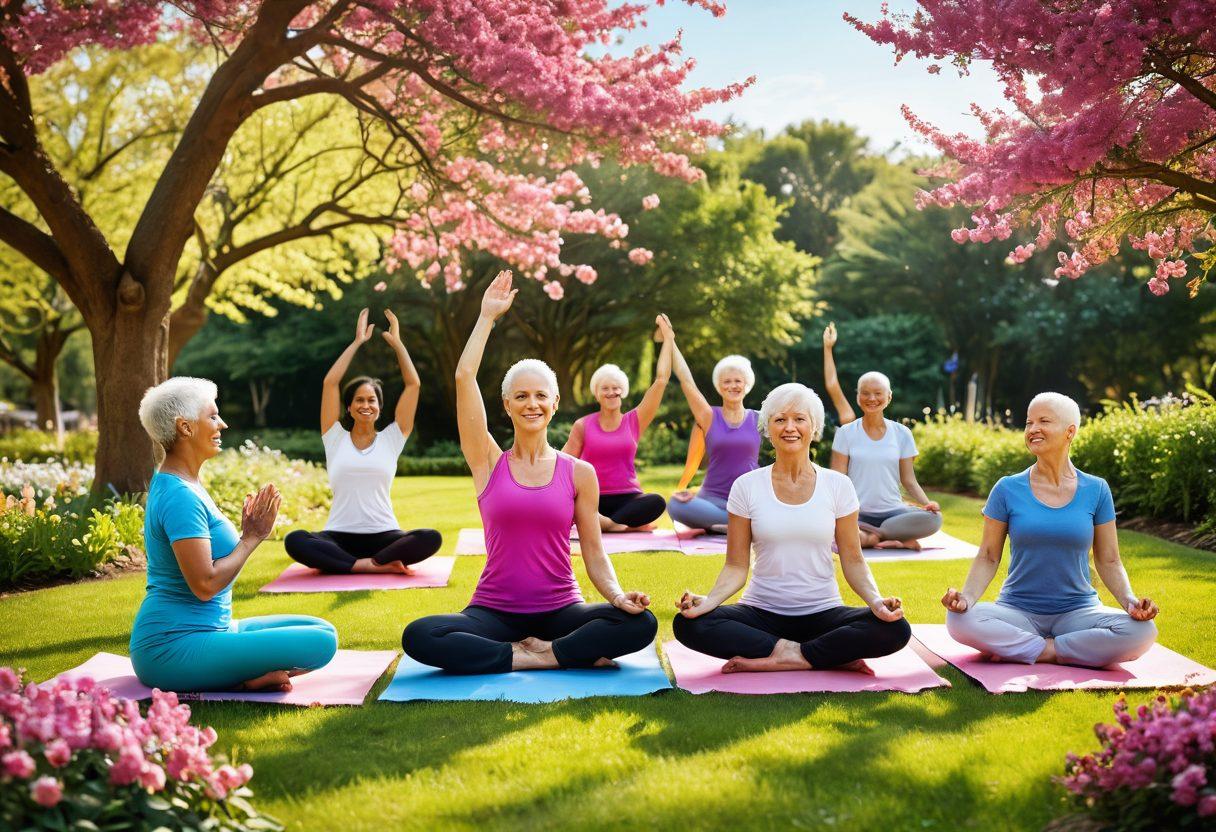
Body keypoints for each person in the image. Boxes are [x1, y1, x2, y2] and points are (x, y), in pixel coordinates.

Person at [401, 271, 658, 674]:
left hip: (562, 611)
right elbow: (463, 377)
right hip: (493, 613)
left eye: (540, 395)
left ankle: (547, 652)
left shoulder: (579, 473)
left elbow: (594, 550)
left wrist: (616, 595)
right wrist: (487, 317)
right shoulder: (487, 462)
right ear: (506, 404)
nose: (531, 404)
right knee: (420, 635)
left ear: (555, 403)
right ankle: (536, 655)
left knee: (640, 623)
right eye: (521, 396)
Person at [672, 382, 911, 673]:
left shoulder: (838, 486)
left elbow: (854, 559)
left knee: (895, 628)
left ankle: (786, 657)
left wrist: (875, 601)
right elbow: (736, 566)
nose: (790, 427)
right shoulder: (746, 486)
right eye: (780, 419)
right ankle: (812, 654)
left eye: (799, 419)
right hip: (761, 612)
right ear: (768, 429)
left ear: (814, 427)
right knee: (688, 625)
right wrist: (709, 602)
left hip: (824, 613)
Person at [130, 378, 337, 692]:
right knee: (321, 644)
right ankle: (242, 678)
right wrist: (251, 537)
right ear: (184, 427)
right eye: (212, 416)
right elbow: (205, 584)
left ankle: (244, 672)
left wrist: (248, 534)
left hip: (213, 630)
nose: (222, 424)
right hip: (172, 648)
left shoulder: (184, 483)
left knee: (321, 628)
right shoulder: (179, 496)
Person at [942, 392, 1158, 668]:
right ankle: (1063, 650)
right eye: (1029, 423)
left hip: (1079, 612)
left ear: (1070, 432)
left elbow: (1110, 559)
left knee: (1143, 631)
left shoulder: (1097, 489)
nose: (1033, 429)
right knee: (960, 620)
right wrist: (967, 598)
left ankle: (1038, 650)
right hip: (1016, 611)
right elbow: (988, 555)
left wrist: (1130, 603)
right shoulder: (1007, 488)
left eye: (1044, 421)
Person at [284, 308, 441, 574]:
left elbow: (413, 384)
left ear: (380, 407)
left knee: (430, 537)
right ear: (349, 407)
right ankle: (369, 565)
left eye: (372, 400)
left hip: (384, 536)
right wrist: (357, 342)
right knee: (295, 540)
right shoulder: (334, 437)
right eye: (359, 399)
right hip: (338, 536)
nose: (366, 405)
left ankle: (365, 563)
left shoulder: (393, 437)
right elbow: (330, 382)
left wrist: (399, 344)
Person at [824, 322, 942, 549]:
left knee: (934, 519)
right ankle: (890, 539)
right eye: (865, 393)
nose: (871, 399)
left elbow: (908, 480)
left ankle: (876, 537)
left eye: (878, 394)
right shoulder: (847, 430)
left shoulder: (902, 434)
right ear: (858, 397)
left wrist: (927, 504)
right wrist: (828, 348)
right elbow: (837, 479)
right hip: (856, 513)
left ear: (888, 397)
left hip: (894, 514)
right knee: (832, 529)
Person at [562, 317, 675, 531]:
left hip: (628, 499)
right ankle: (624, 526)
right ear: (597, 394)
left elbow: (661, 380)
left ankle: (609, 525)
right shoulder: (583, 425)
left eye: (616, 388)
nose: (611, 392)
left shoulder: (635, 420)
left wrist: (668, 339)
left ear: (623, 390)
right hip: (592, 498)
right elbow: (564, 463)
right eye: (605, 388)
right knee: (569, 505)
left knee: (657, 502)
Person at [667, 347, 760, 534]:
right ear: (719, 385)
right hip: (712, 499)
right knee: (675, 505)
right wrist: (670, 341)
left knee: (770, 513)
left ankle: (728, 525)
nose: (732, 386)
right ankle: (738, 526)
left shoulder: (759, 419)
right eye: (727, 381)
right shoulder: (709, 415)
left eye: (737, 381)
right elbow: (686, 381)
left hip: (748, 501)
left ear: (746, 384)